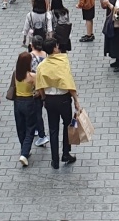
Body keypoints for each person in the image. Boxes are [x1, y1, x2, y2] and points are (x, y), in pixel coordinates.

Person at [34, 38, 80, 170]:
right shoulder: (63, 62)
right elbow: (69, 82)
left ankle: (55, 160)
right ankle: (66, 153)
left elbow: (40, 85)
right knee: (67, 125)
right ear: (55, 48)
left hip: (50, 100)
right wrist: (76, 100)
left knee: (53, 129)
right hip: (64, 99)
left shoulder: (41, 66)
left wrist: (44, 99)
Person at [9, 51, 41, 167]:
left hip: (17, 102)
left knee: (20, 126)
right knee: (30, 128)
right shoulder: (32, 76)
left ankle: (24, 148)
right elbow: (38, 91)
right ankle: (24, 153)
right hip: (29, 102)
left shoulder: (16, 74)